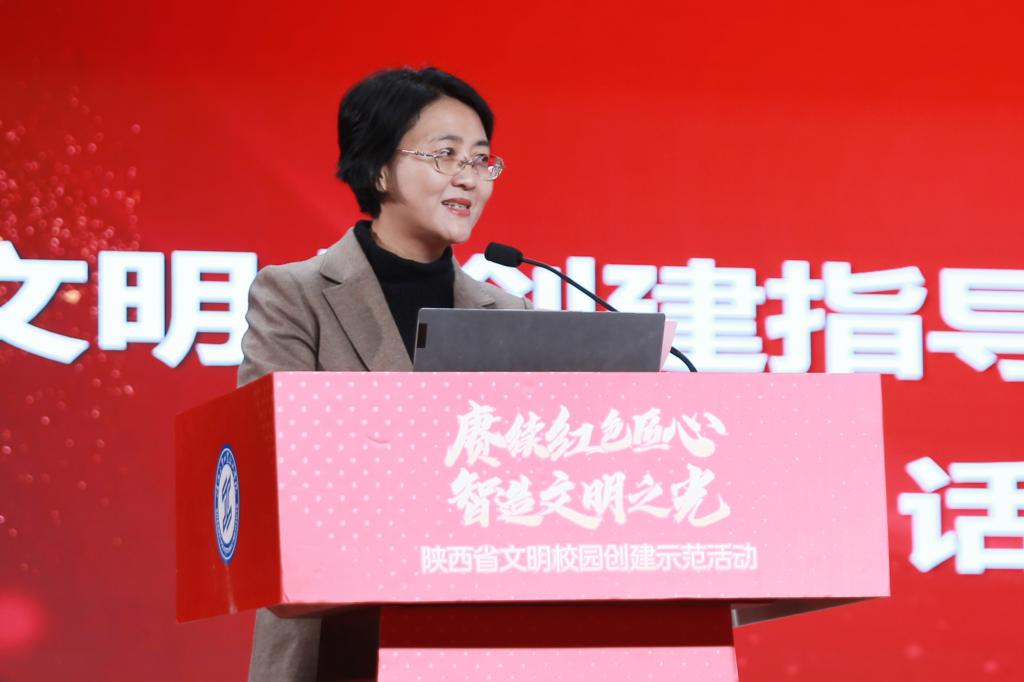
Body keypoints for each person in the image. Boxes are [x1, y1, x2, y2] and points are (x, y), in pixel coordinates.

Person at [236, 67, 530, 681]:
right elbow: (271, 456)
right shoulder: (295, 295)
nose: (469, 177)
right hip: (338, 635)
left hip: (476, 634)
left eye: (481, 160)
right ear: (378, 171)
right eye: (446, 155)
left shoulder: (510, 316)